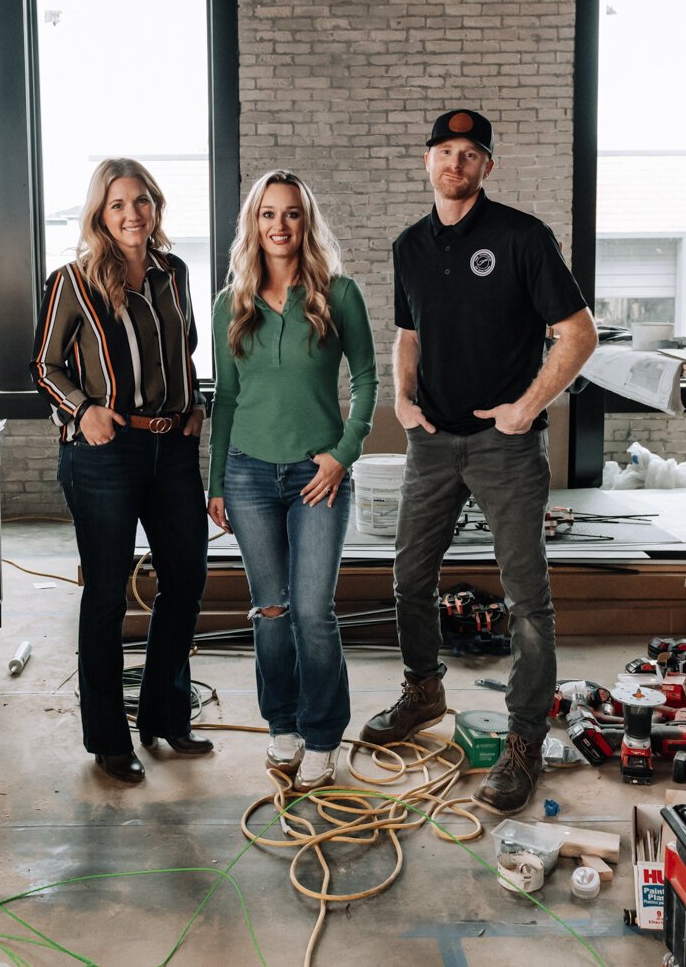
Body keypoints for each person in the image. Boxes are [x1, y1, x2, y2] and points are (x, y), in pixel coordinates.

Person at [359, 109, 598, 815]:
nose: (455, 162)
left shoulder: (523, 238)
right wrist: (403, 401)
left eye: (470, 153)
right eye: (444, 151)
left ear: (487, 166)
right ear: (425, 160)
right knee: (408, 578)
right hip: (432, 441)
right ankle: (423, 689)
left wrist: (526, 407)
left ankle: (525, 739)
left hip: (505, 445)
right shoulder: (408, 245)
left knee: (527, 601)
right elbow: (407, 333)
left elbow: (577, 334)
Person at [32, 157, 212, 785]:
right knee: (107, 593)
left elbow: (184, 350)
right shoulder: (74, 280)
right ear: (100, 215)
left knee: (186, 577)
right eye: (117, 205)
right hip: (105, 454)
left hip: (173, 450)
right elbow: (45, 367)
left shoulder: (175, 273)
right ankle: (108, 737)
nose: (132, 213)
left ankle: (164, 715)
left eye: (141, 201)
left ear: (155, 207)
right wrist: (83, 412)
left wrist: (194, 406)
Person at [208, 171, 378, 792]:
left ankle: (324, 735)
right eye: (267, 215)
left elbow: (366, 380)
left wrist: (343, 455)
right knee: (271, 610)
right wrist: (216, 480)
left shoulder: (339, 293)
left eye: (292, 215)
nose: (279, 226)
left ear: (307, 223)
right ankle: (282, 723)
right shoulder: (233, 301)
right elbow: (224, 399)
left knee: (312, 611)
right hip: (248, 473)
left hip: (318, 474)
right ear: (254, 225)